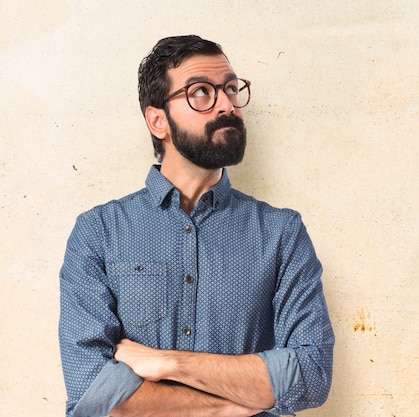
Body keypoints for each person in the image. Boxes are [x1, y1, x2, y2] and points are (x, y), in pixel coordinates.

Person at [58, 35, 334, 417]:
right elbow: (92, 390)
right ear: (158, 121)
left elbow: (311, 375)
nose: (227, 104)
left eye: (232, 89)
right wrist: (237, 403)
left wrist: (171, 363)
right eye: (201, 92)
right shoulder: (98, 233)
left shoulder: (281, 234)